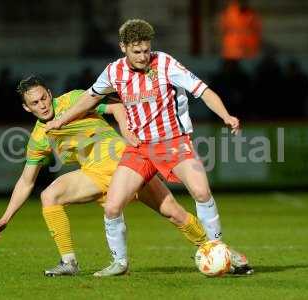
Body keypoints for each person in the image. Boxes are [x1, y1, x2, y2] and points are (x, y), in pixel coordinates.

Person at [46, 19, 253, 276]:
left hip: (173, 142)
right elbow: (89, 98)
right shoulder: (114, 72)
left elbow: (204, 91)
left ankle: (218, 249)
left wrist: (226, 116)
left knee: (201, 191)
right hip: (140, 148)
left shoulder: (165, 63)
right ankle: (119, 263)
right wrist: (60, 120)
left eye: (146, 50)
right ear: (123, 47)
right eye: (137, 51)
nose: (143, 56)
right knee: (112, 206)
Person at [0, 75, 211, 276]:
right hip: (94, 174)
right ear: (27, 108)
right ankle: (68, 262)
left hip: (126, 164)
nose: (42, 105)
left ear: (50, 94)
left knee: (175, 213)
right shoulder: (39, 137)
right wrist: (6, 218)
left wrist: (124, 127)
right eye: (34, 103)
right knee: (49, 196)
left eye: (44, 98)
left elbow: (117, 108)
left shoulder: (73, 100)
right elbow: (26, 181)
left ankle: (216, 248)